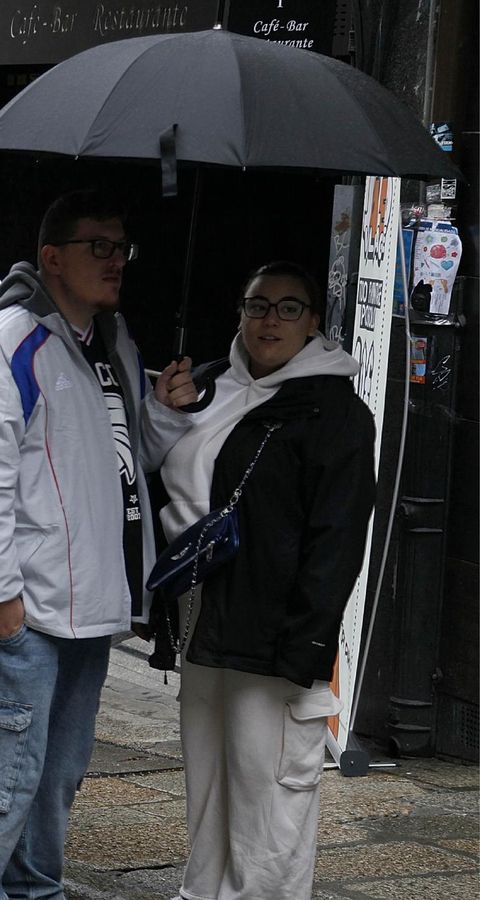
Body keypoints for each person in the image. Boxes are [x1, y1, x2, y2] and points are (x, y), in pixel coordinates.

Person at [0, 190, 196, 899]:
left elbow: (128, 458)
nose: (116, 261)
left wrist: (166, 412)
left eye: (122, 248)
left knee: (52, 788)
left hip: (87, 613)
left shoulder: (112, 344)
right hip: (24, 612)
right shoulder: (6, 342)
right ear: (53, 258)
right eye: (98, 247)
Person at [157, 262, 374, 900]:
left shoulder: (333, 412)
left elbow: (336, 542)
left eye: (287, 308)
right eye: (257, 306)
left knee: (270, 800)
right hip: (205, 619)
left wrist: (306, 649)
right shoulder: (206, 388)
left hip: (275, 636)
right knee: (209, 790)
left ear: (312, 322)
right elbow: (161, 481)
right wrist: (163, 414)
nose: (268, 321)